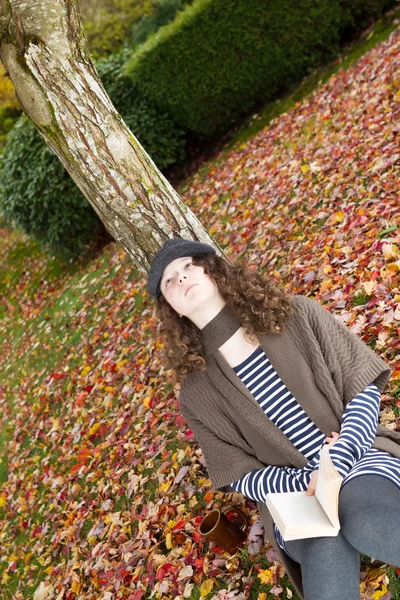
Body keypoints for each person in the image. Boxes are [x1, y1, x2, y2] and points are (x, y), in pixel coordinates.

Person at [147, 237, 400, 600]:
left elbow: (360, 384)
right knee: (324, 556)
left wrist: (339, 456)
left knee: (367, 519)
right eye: (169, 280)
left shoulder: (293, 313)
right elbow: (238, 473)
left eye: (189, 265)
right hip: (293, 495)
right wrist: (305, 479)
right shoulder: (195, 393)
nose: (182, 278)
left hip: (358, 456)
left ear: (213, 268)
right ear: (171, 308)